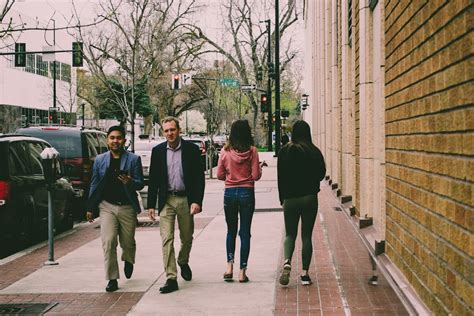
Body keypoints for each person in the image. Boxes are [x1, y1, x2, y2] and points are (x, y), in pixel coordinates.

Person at [147, 116, 205, 294]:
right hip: (167, 200)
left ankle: (183, 260)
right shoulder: (157, 151)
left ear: (179, 130)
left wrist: (197, 201)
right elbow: (154, 180)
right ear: (163, 132)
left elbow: (198, 178)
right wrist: (151, 205)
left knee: (187, 237)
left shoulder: (191, 150)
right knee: (167, 239)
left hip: (186, 199)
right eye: (166, 131)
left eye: (172, 130)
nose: (170, 133)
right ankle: (171, 277)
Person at [86, 125, 144, 292]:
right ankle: (112, 278)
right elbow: (95, 184)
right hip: (107, 206)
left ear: (124, 141)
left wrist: (130, 182)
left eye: (118, 138)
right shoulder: (100, 160)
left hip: (127, 207)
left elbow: (140, 184)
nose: (115, 141)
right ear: (107, 140)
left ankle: (129, 259)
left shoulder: (133, 159)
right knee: (109, 241)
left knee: (128, 243)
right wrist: (90, 207)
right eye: (112, 138)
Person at [277, 120, 326, 286]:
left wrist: (282, 198)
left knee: (290, 234)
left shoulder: (284, 152)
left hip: (290, 198)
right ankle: (305, 274)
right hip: (310, 198)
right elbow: (321, 174)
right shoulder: (314, 151)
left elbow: (281, 177)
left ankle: (287, 261)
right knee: (306, 235)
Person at [216, 119, 262, 283]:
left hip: (229, 193)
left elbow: (220, 175)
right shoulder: (253, 151)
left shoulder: (225, 151)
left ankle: (229, 267)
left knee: (231, 231)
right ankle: (242, 271)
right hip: (247, 192)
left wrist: (231, 175)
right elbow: (256, 176)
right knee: (245, 233)